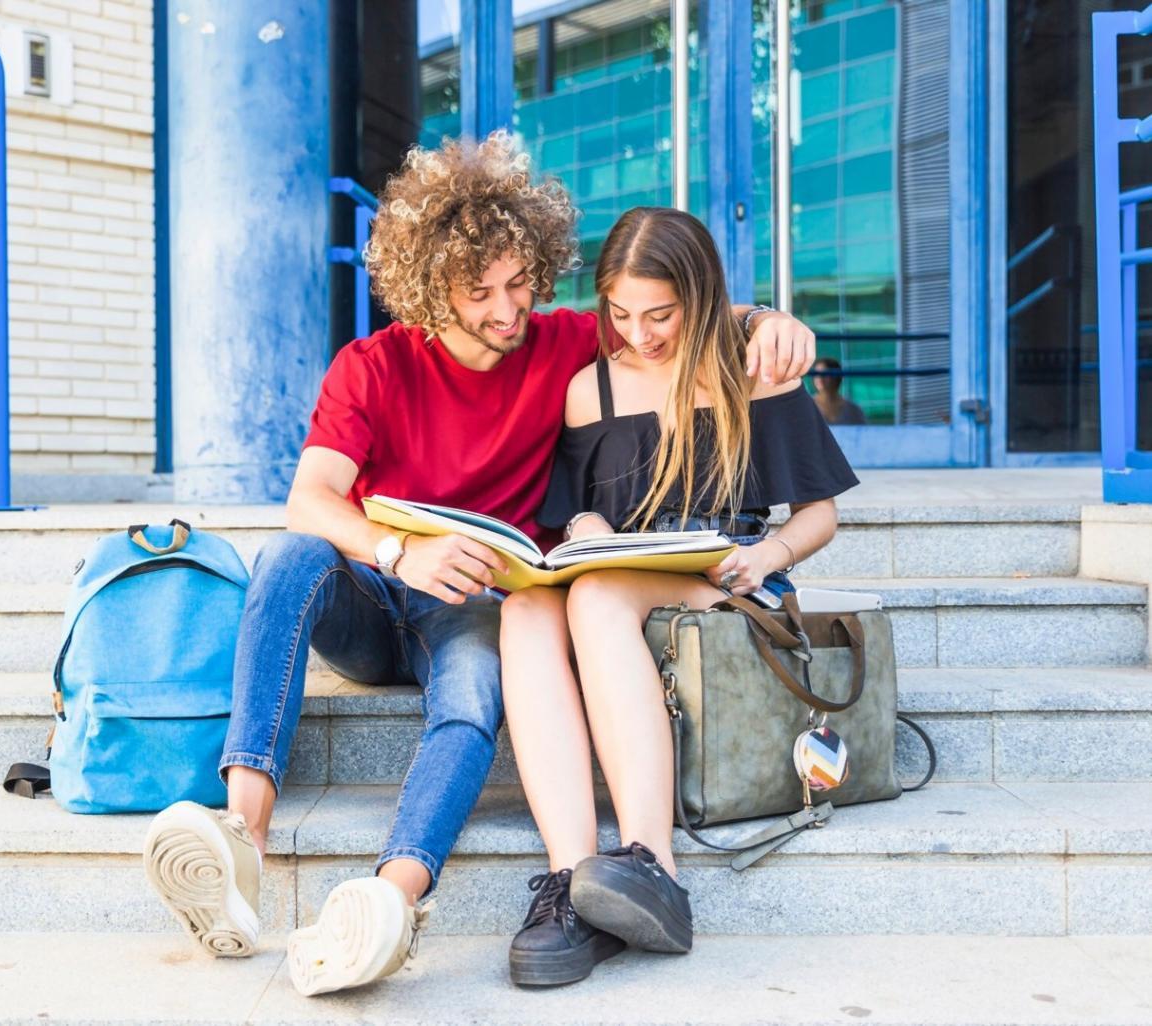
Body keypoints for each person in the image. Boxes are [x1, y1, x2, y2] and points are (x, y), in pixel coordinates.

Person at [140, 133, 817, 998]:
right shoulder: (372, 366)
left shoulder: (567, 343)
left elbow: (670, 318)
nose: (508, 310)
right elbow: (310, 498)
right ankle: (244, 832)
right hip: (375, 591)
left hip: (475, 605)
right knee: (290, 555)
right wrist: (399, 551)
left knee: (469, 697)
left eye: (519, 281)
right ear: (429, 290)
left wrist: (768, 320)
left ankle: (392, 900)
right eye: (479, 292)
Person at [500, 207, 858, 988]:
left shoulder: (751, 369)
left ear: (699, 296)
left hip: (729, 587)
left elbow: (819, 513)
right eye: (620, 314)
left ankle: (651, 864)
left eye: (659, 314)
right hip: (628, 574)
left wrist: (767, 552)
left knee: (594, 597)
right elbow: (576, 511)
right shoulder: (589, 389)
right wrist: (589, 522)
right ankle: (570, 881)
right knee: (529, 609)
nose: (639, 333)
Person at [811, 356, 867, 424]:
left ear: (836, 377)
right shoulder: (807, 407)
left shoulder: (853, 410)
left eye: (825, 374)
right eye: (816, 374)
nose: (820, 378)